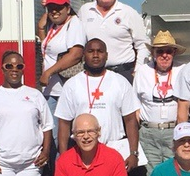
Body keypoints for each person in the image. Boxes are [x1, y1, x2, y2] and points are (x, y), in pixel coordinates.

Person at [135, 31, 189, 176]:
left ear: (174, 53)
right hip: (149, 134)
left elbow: (187, 103)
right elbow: (135, 104)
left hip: (172, 133)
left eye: (168, 51)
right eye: (160, 51)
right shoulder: (143, 73)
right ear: (153, 54)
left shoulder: (182, 72)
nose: (164, 55)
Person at [54, 38, 141, 166]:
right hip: (82, 151)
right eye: (91, 51)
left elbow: (130, 120)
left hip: (114, 149)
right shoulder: (72, 84)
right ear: (84, 56)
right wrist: (63, 156)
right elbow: (64, 123)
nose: (95, 55)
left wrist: (134, 153)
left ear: (106, 56)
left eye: (100, 51)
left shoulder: (120, 81)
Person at [77, 0, 147, 80]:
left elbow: (143, 44)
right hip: (92, 75)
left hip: (123, 73)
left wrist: (138, 71)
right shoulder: (85, 11)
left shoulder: (128, 12)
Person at [37, 0, 86, 128]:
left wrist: (48, 73)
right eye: (51, 8)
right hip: (52, 89)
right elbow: (42, 32)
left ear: (68, 8)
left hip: (64, 89)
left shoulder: (74, 23)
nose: (55, 11)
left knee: (60, 134)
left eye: (59, 7)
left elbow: (75, 54)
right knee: (50, 131)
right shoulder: (54, 25)